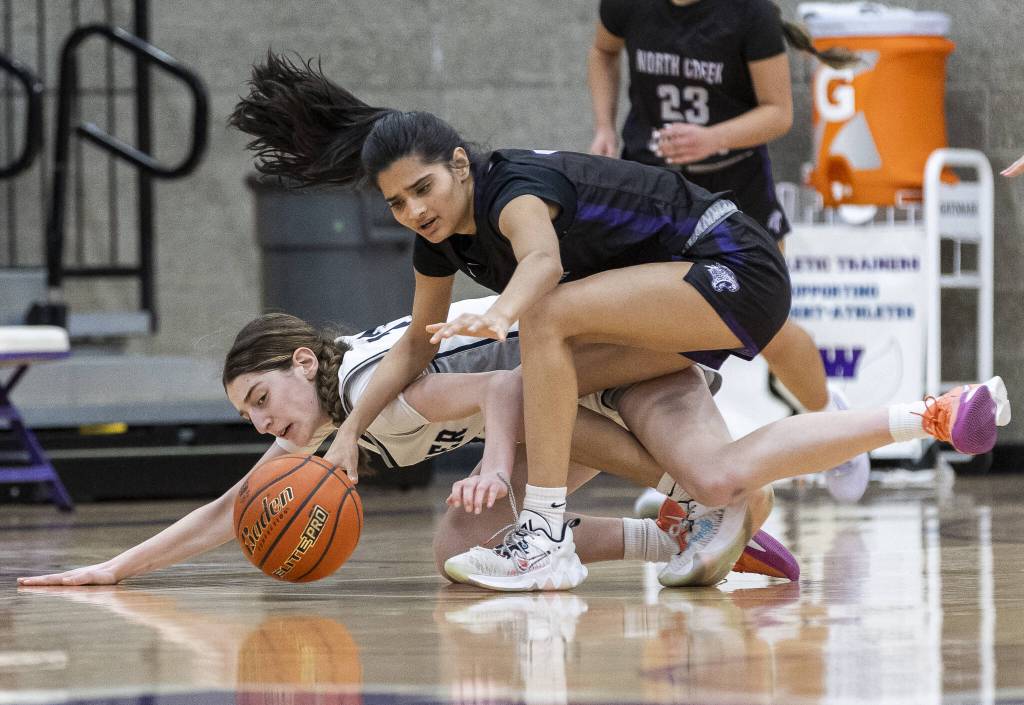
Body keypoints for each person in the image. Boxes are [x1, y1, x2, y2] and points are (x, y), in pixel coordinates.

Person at [227, 52, 1007, 593]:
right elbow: (415, 346)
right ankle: (933, 412)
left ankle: (546, 538)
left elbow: (540, 267)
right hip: (659, 324)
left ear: (460, 165)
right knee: (721, 477)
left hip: (729, 258)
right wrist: (347, 436)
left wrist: (499, 311)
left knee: (544, 320)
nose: (415, 211)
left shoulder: (512, 190)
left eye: (424, 189)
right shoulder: (437, 240)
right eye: (398, 203)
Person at [16, 298, 796, 589]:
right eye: (246, 416)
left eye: (261, 399)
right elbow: (231, 508)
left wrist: (495, 462)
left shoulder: (367, 386)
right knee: (461, 547)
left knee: (710, 476)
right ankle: (665, 531)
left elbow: (510, 389)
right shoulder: (328, 418)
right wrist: (115, 567)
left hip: (628, 364)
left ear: (303, 362)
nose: (260, 423)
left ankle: (708, 498)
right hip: (581, 394)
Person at [586, 0, 870, 504]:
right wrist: (604, 125)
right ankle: (686, 471)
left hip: (736, 192)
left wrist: (710, 139)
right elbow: (602, 52)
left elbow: (778, 113)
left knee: (769, 328)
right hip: (654, 189)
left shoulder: (750, 13)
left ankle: (834, 427)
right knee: (660, 336)